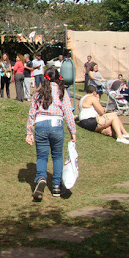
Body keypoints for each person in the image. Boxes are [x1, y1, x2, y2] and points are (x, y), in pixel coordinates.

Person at [25, 66, 77, 200]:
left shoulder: (38, 92)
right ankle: (56, 187)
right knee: (57, 156)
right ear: (58, 77)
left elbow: (32, 113)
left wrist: (29, 132)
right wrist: (73, 131)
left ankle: (41, 178)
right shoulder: (62, 92)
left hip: (41, 124)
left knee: (42, 157)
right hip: (57, 125)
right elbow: (68, 113)